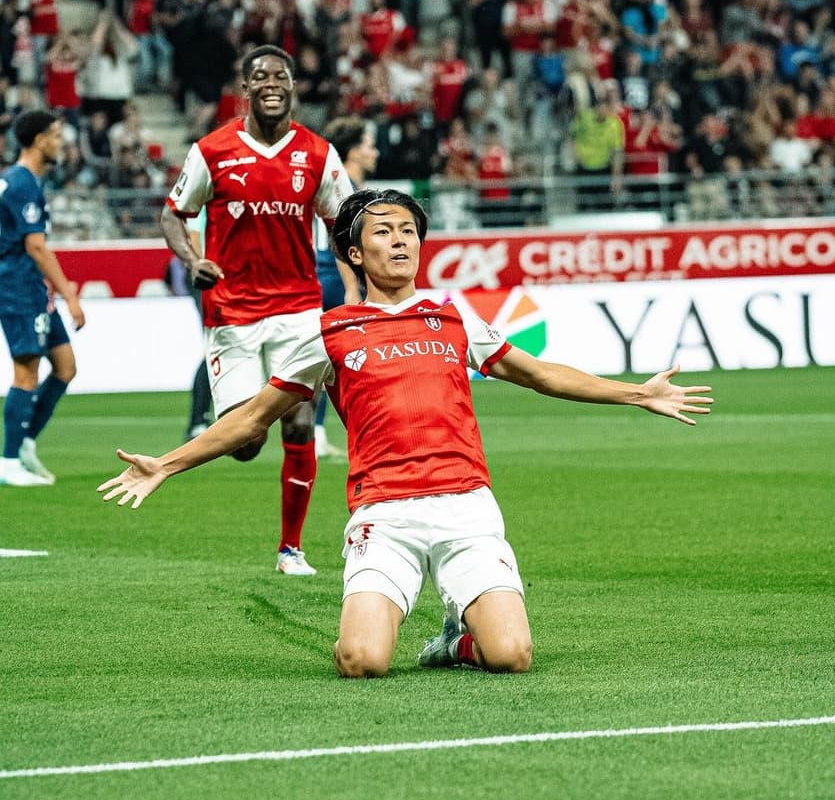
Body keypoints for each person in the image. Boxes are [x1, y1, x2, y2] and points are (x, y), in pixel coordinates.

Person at [99, 189, 714, 677]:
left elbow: (541, 375)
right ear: (357, 255)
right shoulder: (330, 333)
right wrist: (168, 463)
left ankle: (456, 639)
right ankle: (427, 618)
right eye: (384, 232)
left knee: (513, 656)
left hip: (467, 508)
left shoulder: (452, 320)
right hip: (384, 516)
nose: (401, 241)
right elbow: (252, 417)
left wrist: (638, 392)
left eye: (409, 231)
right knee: (361, 662)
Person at [160, 44, 358, 576]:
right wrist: (192, 258)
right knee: (245, 440)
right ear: (244, 89)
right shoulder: (213, 150)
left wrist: (358, 293)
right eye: (260, 77)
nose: (272, 83)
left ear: (293, 86)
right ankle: (243, 427)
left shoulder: (318, 153)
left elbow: (345, 225)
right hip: (234, 312)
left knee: (298, 422)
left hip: (297, 307)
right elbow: (174, 214)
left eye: (281, 75)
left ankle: (290, 548)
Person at [0, 110, 85, 487]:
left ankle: (26, 442)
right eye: (55, 135)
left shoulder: (22, 181)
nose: (60, 142)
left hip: (32, 288)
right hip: (17, 287)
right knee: (27, 371)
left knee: (65, 366)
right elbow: (36, 246)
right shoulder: (21, 185)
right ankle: (8, 461)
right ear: (38, 140)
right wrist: (69, 294)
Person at [313, 115, 378, 460]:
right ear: (353, 151)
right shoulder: (347, 188)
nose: (375, 151)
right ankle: (350, 433)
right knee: (348, 359)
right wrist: (353, 288)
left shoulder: (333, 185)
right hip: (336, 280)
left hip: (321, 277)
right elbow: (341, 240)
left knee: (328, 359)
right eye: (369, 144)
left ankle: (318, 432)